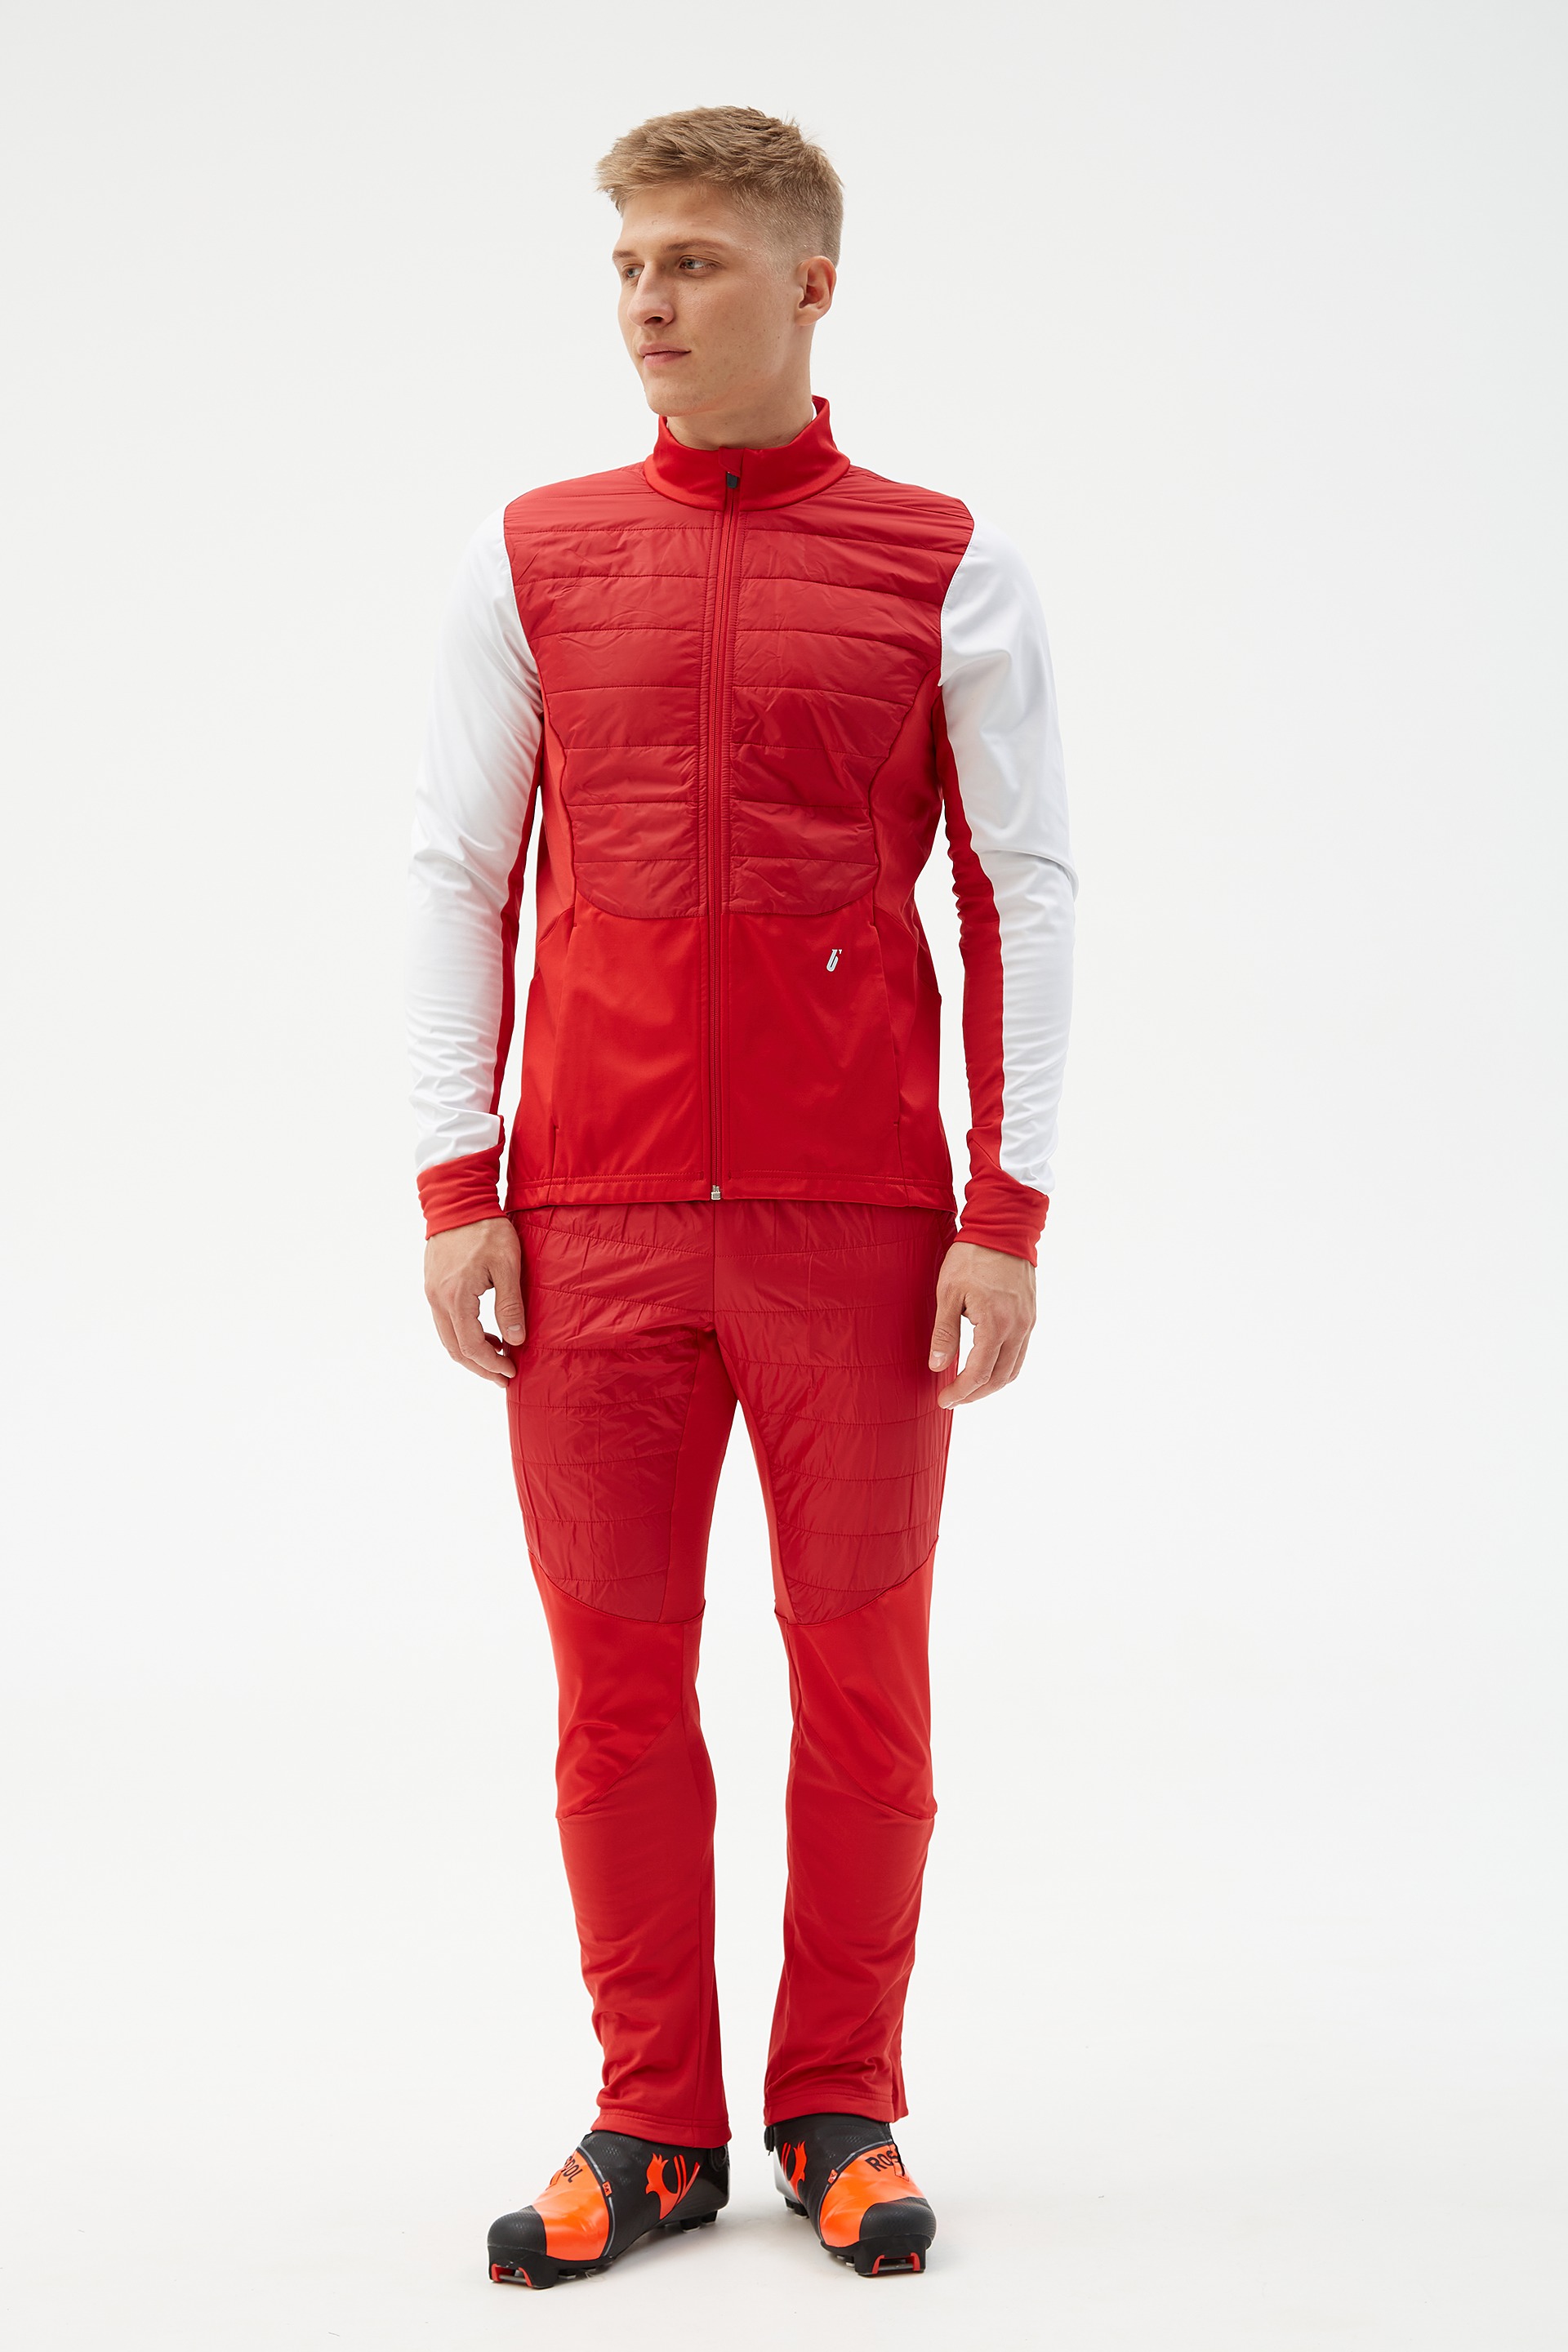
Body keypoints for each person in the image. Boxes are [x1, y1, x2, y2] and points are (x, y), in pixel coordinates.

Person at [407, 104, 1076, 2288]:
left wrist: (1006, 1209)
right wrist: (457, 1179)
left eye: (690, 262)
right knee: (616, 1689)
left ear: (810, 286)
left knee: (861, 1680)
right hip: (589, 1222)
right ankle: (652, 2121)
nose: (647, 304)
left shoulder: (943, 560)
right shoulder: (531, 556)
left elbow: (1021, 885)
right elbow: (459, 872)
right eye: (627, 265)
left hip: (857, 1227)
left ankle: (840, 2106)